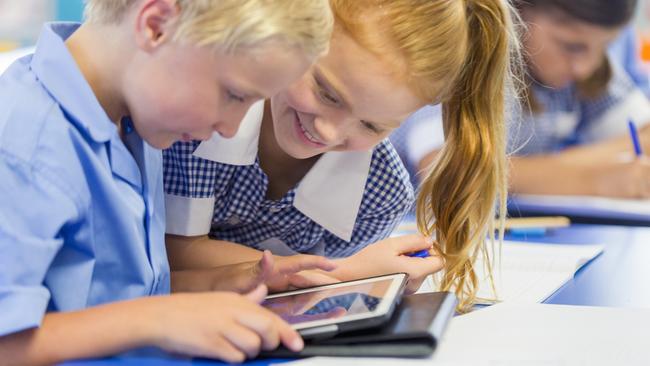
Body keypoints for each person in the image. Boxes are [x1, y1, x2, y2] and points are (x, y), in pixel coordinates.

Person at [0, 0, 335, 364]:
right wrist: (157, 319)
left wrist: (224, 283)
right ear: (156, 25)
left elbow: (112, 298)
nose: (230, 128)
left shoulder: (134, 117)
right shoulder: (23, 146)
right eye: (234, 95)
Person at [164, 0, 522, 310]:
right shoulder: (199, 120)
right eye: (327, 94)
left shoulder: (380, 192)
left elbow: (310, 310)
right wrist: (341, 274)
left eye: (371, 125)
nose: (330, 132)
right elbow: (170, 254)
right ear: (297, 25)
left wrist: (354, 285)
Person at [392, 0, 650, 199]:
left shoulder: (587, 67)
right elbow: (445, 170)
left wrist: (558, 169)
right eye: (571, 46)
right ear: (519, 12)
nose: (585, 68)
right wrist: (595, 180)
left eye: (605, 47)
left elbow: (646, 135)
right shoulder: (471, 51)